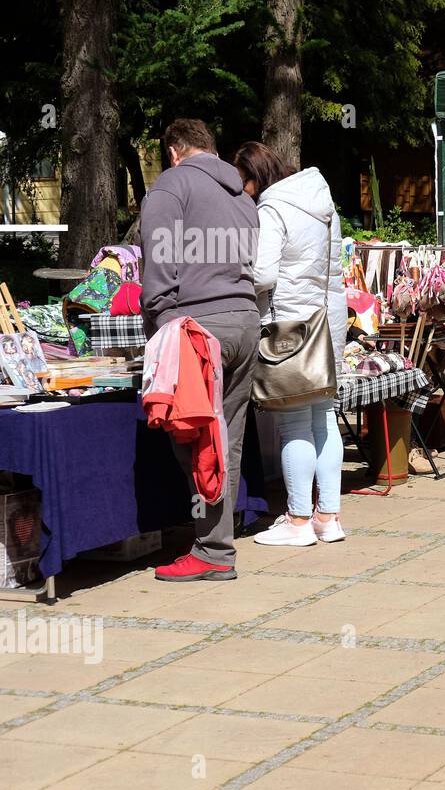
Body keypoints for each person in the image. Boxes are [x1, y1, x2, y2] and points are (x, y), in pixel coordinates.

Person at [140, 118, 259, 582]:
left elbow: (159, 259)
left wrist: (162, 325)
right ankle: (217, 546)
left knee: (193, 439)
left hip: (196, 329)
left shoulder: (172, 185)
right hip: (245, 323)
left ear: (174, 151)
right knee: (225, 439)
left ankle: (212, 549)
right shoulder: (242, 196)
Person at [233, 141, 347, 548]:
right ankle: (328, 517)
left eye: (242, 181)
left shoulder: (273, 207)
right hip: (328, 322)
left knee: (294, 421)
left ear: (253, 176)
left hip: (290, 327)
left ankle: (298, 520)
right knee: (324, 418)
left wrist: (232, 271)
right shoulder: (320, 198)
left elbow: (263, 275)